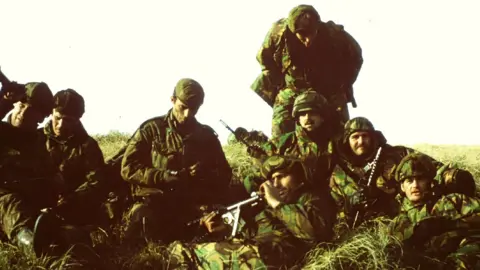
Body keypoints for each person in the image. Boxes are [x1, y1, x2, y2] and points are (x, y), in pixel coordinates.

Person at [166, 155, 336, 269]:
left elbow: (313, 234)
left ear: (298, 178)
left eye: (282, 176)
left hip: (270, 258)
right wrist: (224, 228)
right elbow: (256, 234)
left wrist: (275, 202)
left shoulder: (312, 199)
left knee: (184, 256)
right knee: (179, 253)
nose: (275, 184)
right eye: (272, 179)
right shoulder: (264, 208)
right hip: (255, 254)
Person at [120, 78, 233, 244]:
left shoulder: (207, 136)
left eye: (194, 109)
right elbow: (128, 168)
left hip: (193, 205)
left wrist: (205, 175)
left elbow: (224, 174)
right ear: (173, 100)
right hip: (156, 203)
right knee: (143, 224)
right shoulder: (151, 130)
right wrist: (164, 176)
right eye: (183, 107)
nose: (187, 114)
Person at [329, 117, 476, 229]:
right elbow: (337, 220)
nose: (361, 141)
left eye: (365, 136)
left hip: (406, 217)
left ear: (372, 137)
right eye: (355, 137)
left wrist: (451, 176)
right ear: (346, 141)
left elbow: (428, 166)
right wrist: (349, 206)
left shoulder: (396, 154)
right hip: (366, 230)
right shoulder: (339, 174)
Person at [251, 4, 363, 139]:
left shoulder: (335, 35)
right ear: (293, 31)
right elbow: (264, 58)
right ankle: (283, 154)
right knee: (281, 126)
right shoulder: (278, 33)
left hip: (328, 88)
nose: (308, 40)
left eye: (311, 33)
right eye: (303, 35)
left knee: (342, 130)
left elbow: (356, 57)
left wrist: (343, 83)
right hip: (292, 88)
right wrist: (279, 82)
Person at [389, 153, 480, 269]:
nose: (415, 185)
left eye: (420, 179)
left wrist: (454, 224)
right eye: (409, 181)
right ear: (402, 186)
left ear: (429, 182)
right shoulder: (399, 220)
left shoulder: (452, 201)